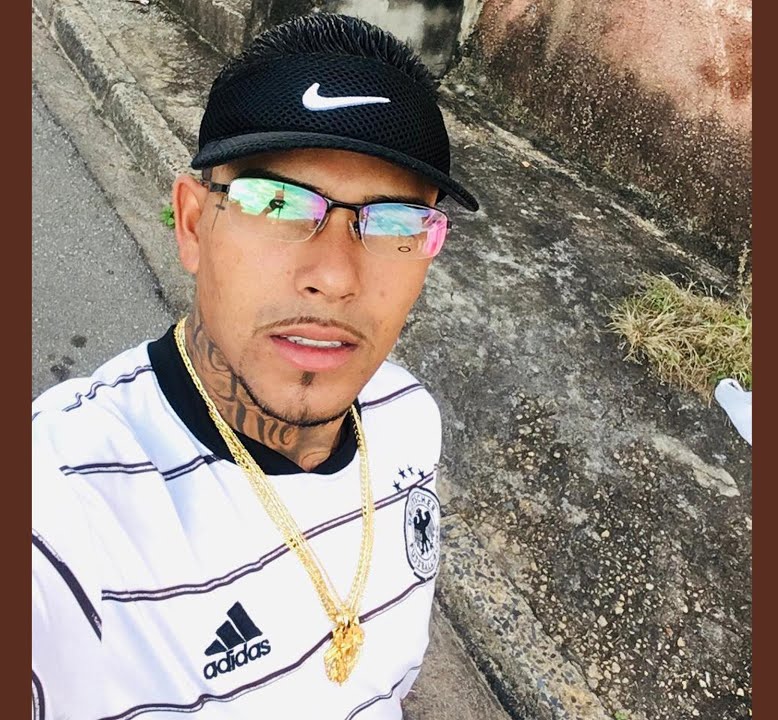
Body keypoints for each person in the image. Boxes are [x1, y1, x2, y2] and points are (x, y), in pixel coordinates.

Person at [31, 12, 479, 720]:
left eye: (395, 221)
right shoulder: (66, 498)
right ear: (192, 224)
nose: (335, 276)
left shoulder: (408, 418)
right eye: (276, 202)